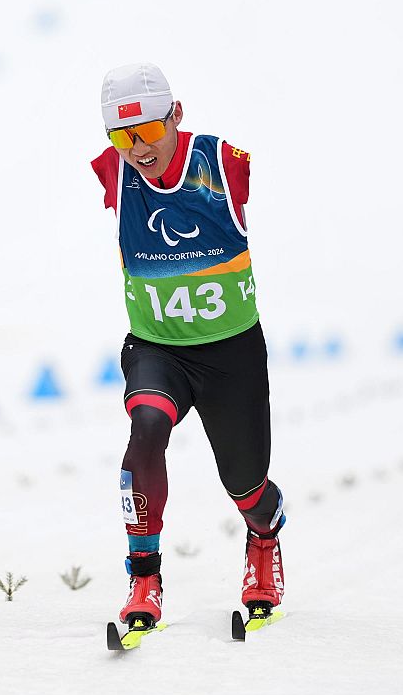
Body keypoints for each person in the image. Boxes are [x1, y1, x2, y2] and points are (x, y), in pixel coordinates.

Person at [90, 62, 287, 635]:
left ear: (176, 116)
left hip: (232, 354)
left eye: (148, 131)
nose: (137, 149)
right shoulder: (113, 174)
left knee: (246, 486)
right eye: (122, 138)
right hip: (158, 349)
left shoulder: (223, 164)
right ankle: (144, 578)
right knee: (145, 431)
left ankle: (263, 540)